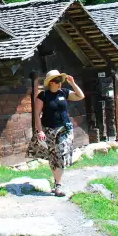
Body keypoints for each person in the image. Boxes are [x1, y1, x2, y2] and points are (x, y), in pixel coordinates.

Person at [33, 69, 85, 197]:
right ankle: (57, 184)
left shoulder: (64, 92)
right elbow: (36, 115)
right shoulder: (43, 96)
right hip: (50, 130)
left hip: (65, 129)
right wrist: (39, 131)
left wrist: (72, 83)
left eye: (60, 80)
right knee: (54, 157)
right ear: (50, 82)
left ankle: (58, 185)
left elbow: (80, 96)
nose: (59, 83)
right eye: (56, 80)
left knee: (60, 153)